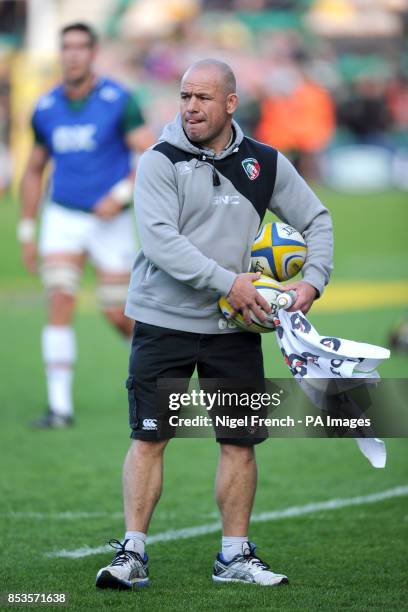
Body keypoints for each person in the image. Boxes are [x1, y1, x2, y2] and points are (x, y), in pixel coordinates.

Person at [95, 59, 333, 589]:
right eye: (184, 97)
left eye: (203, 98)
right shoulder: (159, 160)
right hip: (164, 320)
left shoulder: (264, 163)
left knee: (238, 441)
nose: (190, 107)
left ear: (231, 103)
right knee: (149, 436)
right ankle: (131, 555)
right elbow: (161, 241)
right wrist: (231, 283)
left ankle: (234, 557)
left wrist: (309, 283)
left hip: (235, 330)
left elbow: (316, 219)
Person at [19, 23, 154, 428]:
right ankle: (59, 408)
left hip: (109, 222)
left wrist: (120, 196)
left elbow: (149, 157)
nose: (73, 54)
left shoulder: (119, 100)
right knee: (60, 298)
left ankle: (157, 379)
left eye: (81, 47)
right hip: (63, 215)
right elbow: (33, 170)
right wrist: (28, 228)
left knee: (117, 313)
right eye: (67, 48)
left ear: (93, 53)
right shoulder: (45, 108)